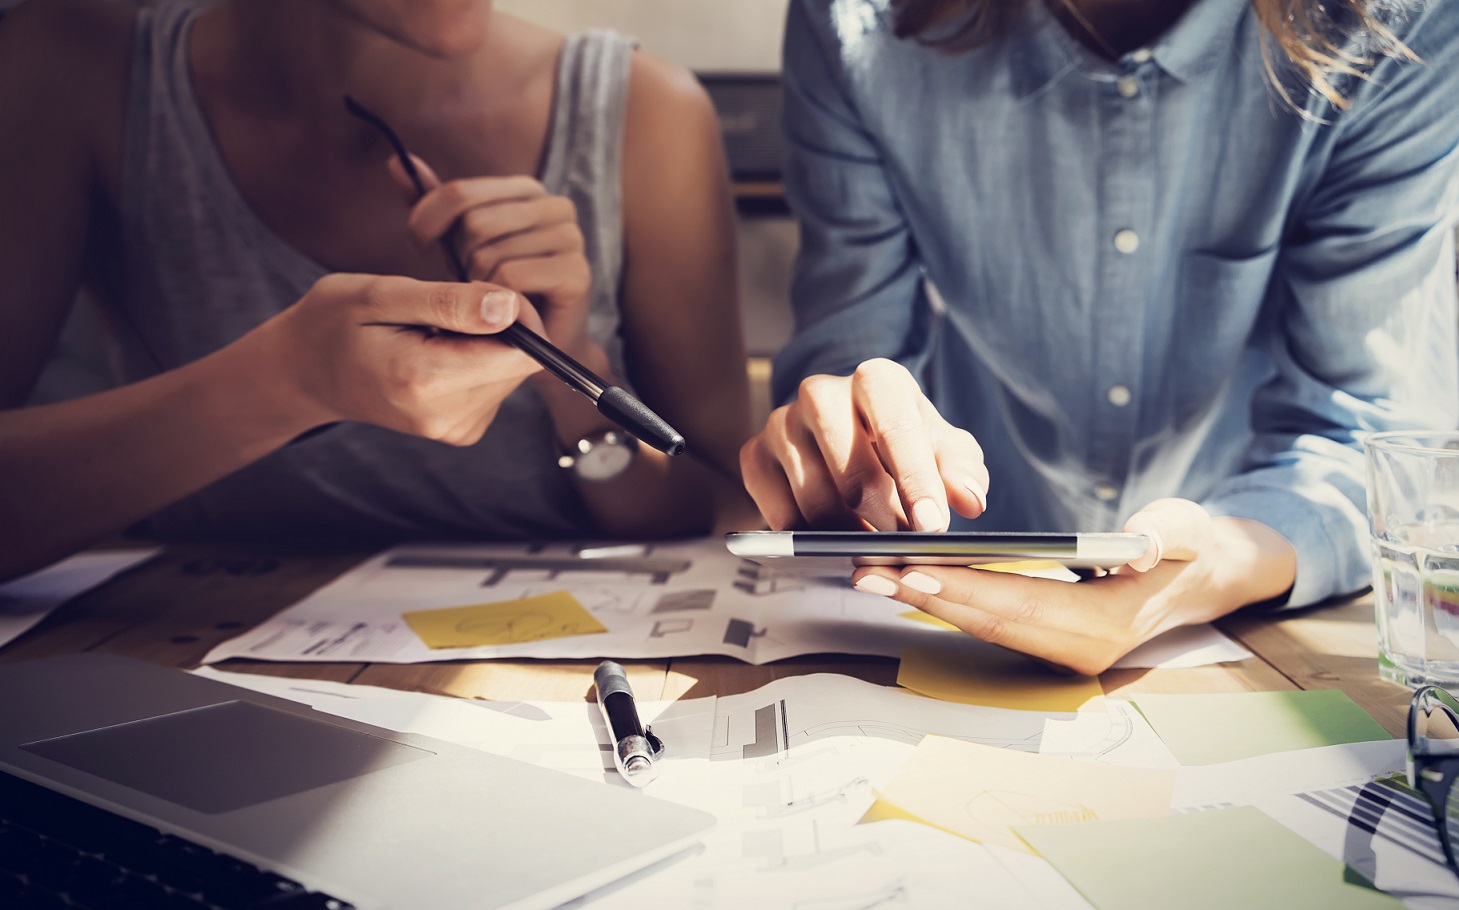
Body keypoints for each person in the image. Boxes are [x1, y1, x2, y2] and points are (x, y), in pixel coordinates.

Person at [741, 0, 1459, 674]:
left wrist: (1216, 566)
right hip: (938, 602)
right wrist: (844, 428)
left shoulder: (1399, 25)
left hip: (1250, 618)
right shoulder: (853, 23)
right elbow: (851, 341)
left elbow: (1360, 436)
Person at [0, 0, 754, 582]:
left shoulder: (644, 109)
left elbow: (725, 507)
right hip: (164, 666)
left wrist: (571, 370)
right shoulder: (77, 65)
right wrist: (285, 383)